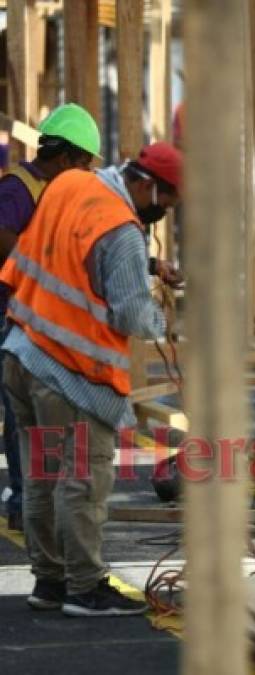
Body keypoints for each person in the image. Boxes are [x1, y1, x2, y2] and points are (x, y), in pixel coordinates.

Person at [0, 142, 182, 617]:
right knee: (82, 479)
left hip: (21, 352)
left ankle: (50, 581)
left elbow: (68, 248)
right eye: (165, 201)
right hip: (68, 373)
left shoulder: (68, 184)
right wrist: (163, 321)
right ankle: (84, 588)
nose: (163, 212)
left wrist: (145, 267)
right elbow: (132, 315)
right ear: (146, 185)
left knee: (40, 476)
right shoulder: (123, 232)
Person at [0, 103, 101, 532]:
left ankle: (29, 503)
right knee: (19, 413)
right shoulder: (18, 189)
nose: (85, 173)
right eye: (81, 164)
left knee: (29, 418)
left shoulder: (62, 192)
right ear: (63, 157)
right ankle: (25, 500)